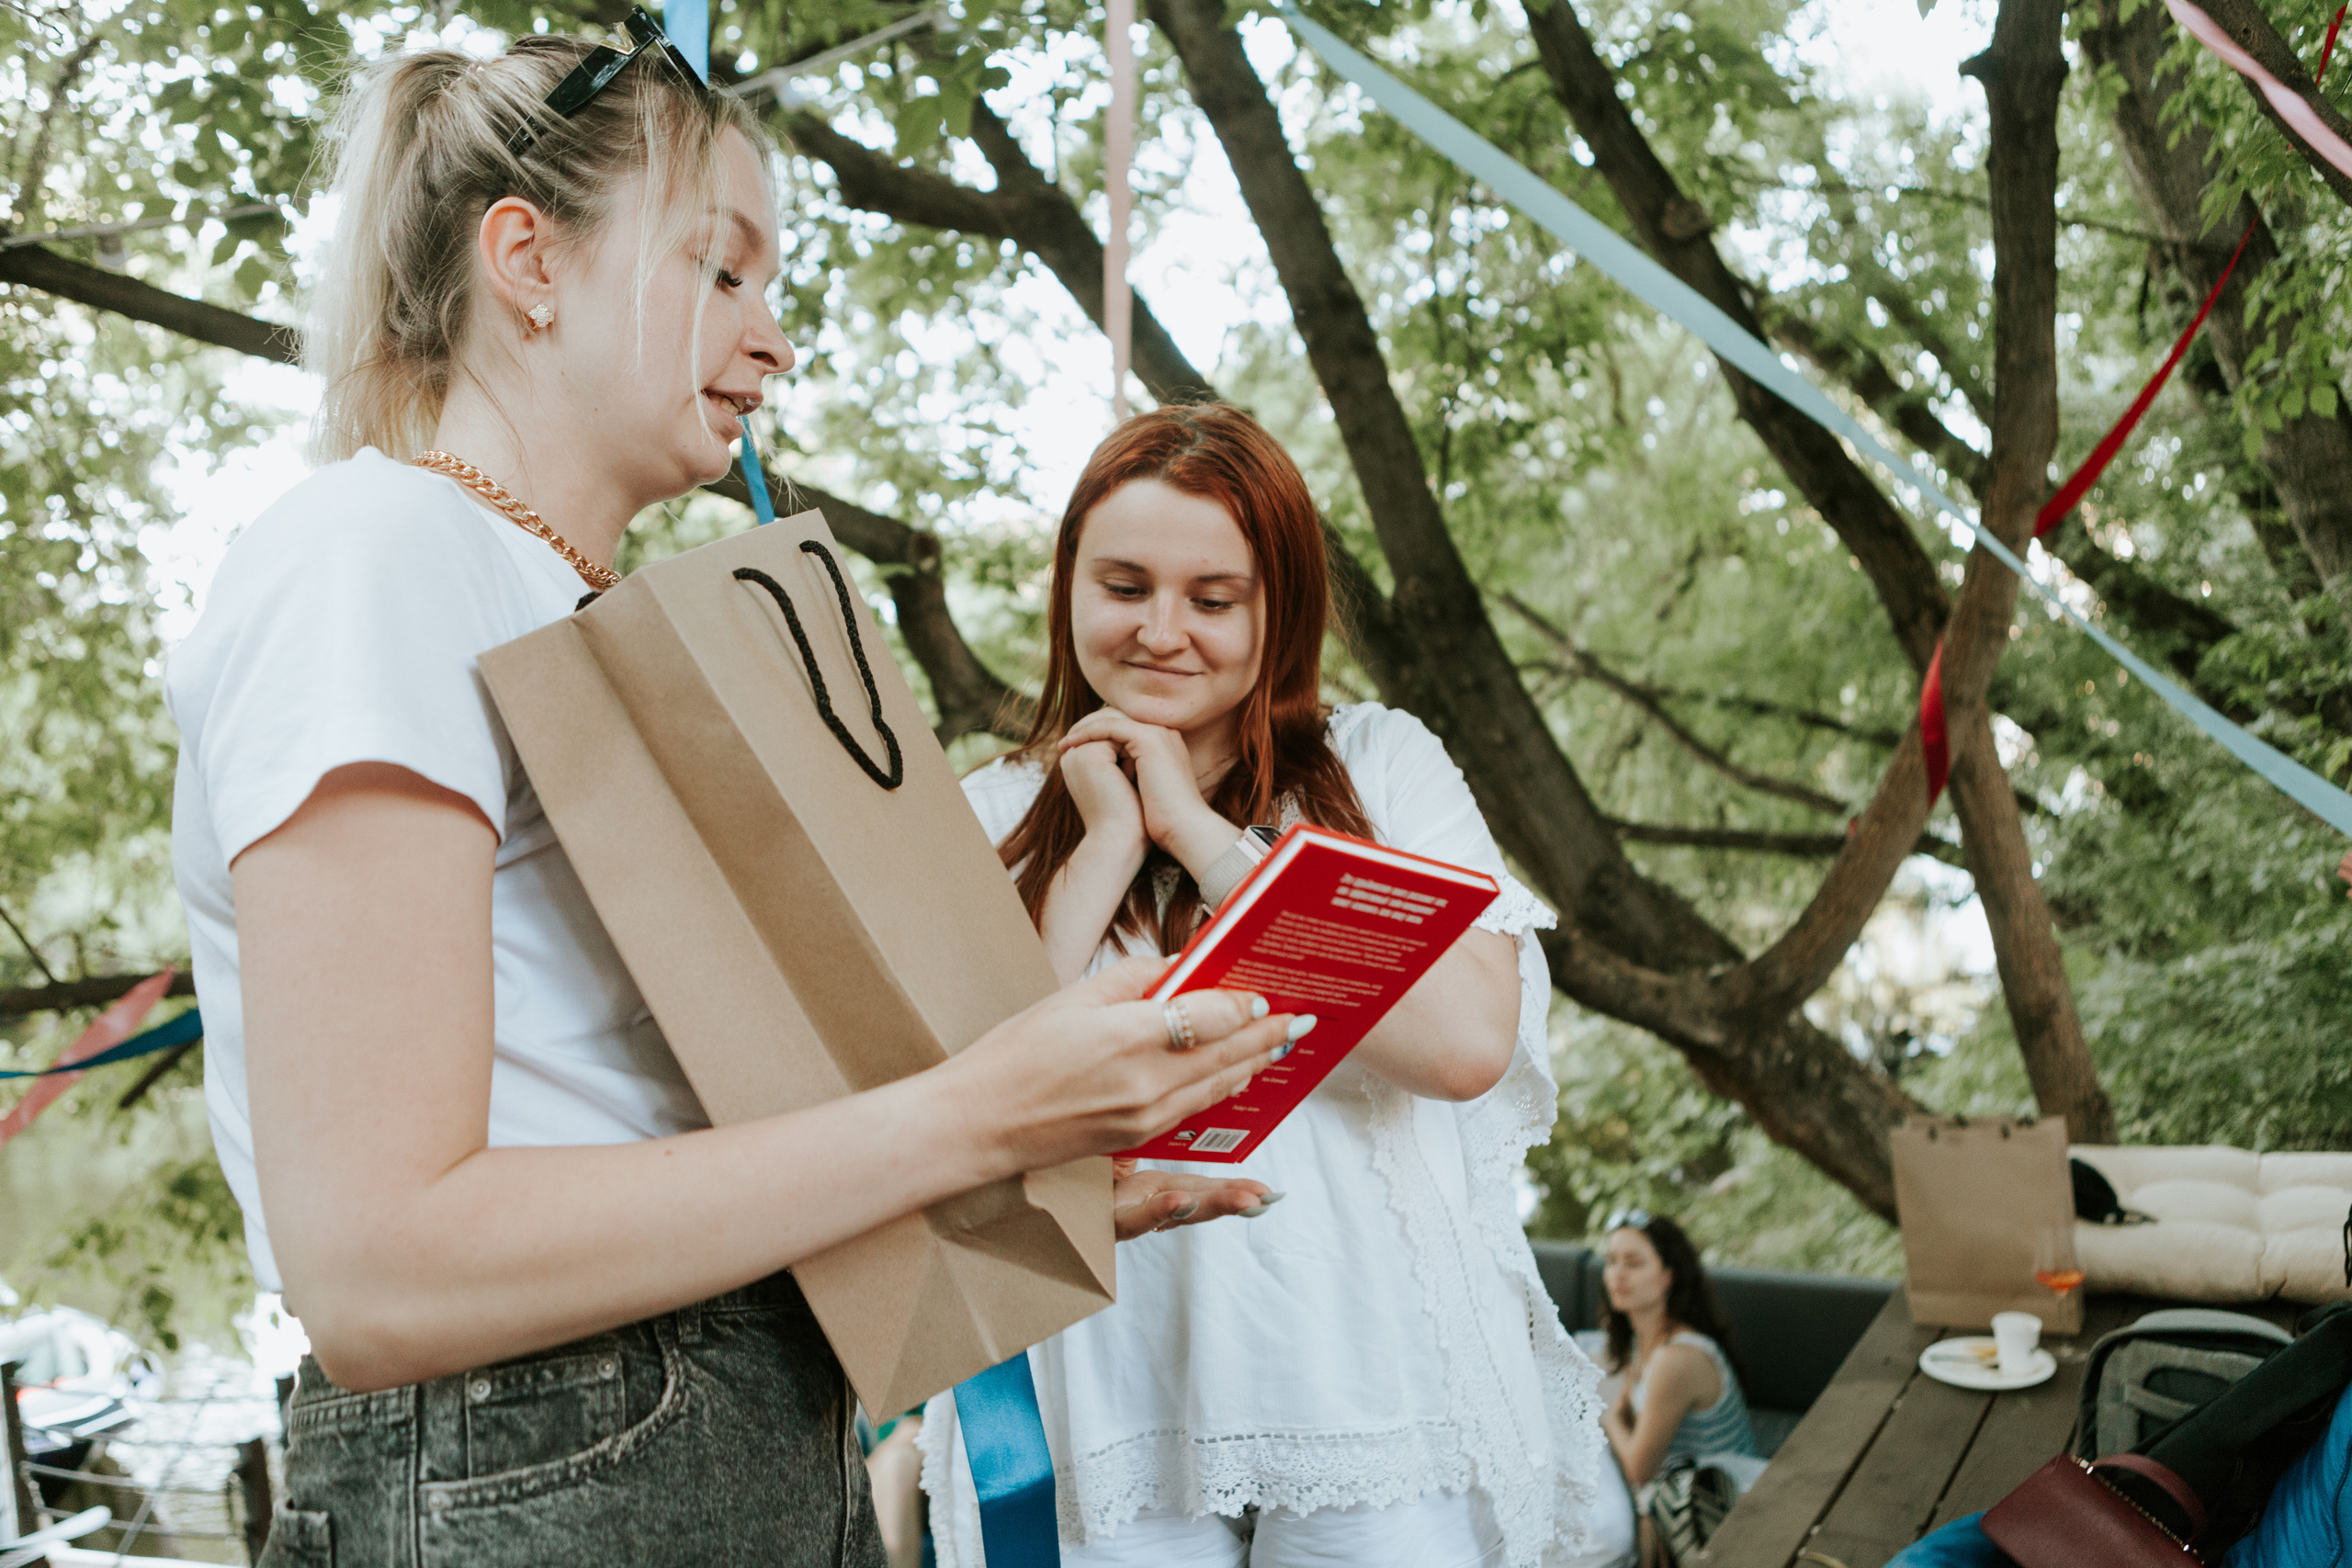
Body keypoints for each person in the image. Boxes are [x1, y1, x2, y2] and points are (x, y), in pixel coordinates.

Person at [165, 22, 1298, 1567]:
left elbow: (646, 1141)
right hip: (539, 1465)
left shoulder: (585, 615)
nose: (772, 341)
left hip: (732, 1428)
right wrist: (971, 1116)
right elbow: (383, 1268)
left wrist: (1023, 1161)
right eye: (721, 271)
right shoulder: (377, 555)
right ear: (530, 263)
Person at [915, 405, 1609, 1568]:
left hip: (1374, 1381)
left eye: (1212, 597)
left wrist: (1197, 833)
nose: (1162, 632)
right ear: (1069, 588)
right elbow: (972, 1112)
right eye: (1124, 585)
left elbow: (1462, 1047)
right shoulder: (989, 812)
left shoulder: (1382, 767)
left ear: (1274, 606)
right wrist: (1096, 856)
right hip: (1100, 1390)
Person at [1596, 1213, 1763, 1501]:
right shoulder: (1641, 1336)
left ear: (1668, 1277)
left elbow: (1639, 1471)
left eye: (1633, 1263)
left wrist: (1609, 1420)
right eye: (1612, 1261)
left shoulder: (1676, 1359)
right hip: (1681, 1493)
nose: (1617, 1274)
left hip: (1723, 1506)